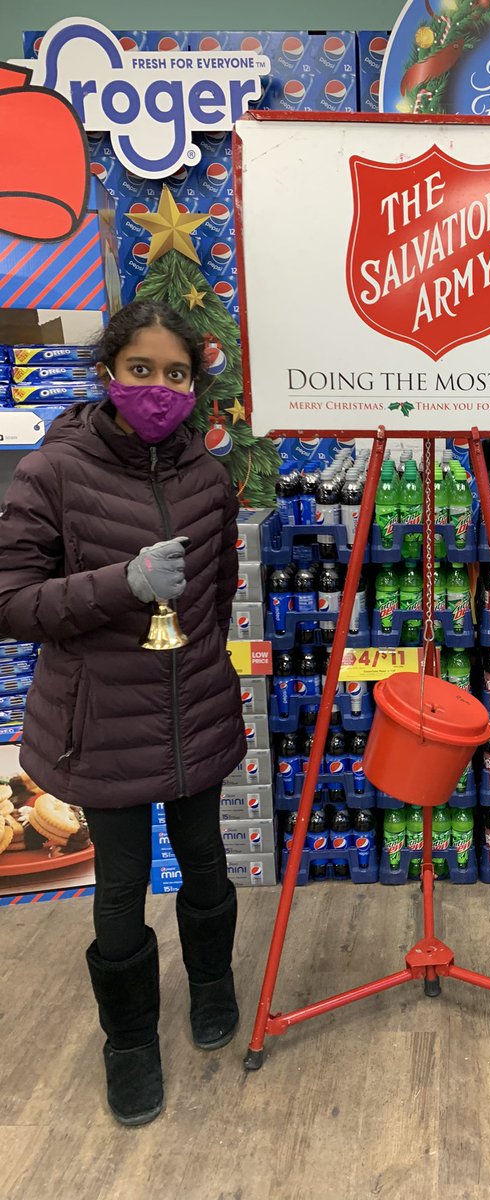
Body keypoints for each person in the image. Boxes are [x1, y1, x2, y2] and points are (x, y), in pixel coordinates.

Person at [0, 300, 246, 1125]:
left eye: (175, 374)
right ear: (107, 374)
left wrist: (203, 665)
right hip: (100, 723)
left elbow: (215, 598)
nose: (157, 388)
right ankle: (129, 1039)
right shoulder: (53, 473)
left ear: (193, 384)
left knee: (207, 865)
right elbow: (12, 603)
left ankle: (213, 987)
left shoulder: (210, 479)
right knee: (122, 886)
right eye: (140, 369)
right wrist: (123, 585)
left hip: (196, 710)